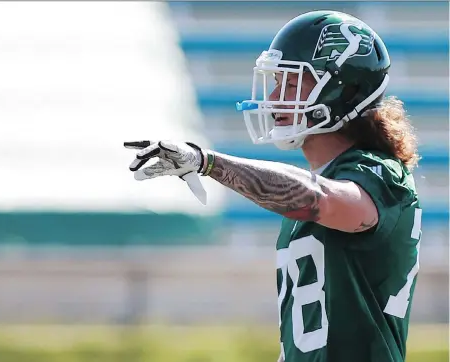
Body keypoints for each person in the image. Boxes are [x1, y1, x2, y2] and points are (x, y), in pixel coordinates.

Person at [124, 10, 422, 362]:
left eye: (292, 84)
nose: (277, 97)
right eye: (277, 82)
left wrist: (209, 163)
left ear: (345, 89)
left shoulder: (380, 173)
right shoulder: (322, 184)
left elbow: (324, 200)